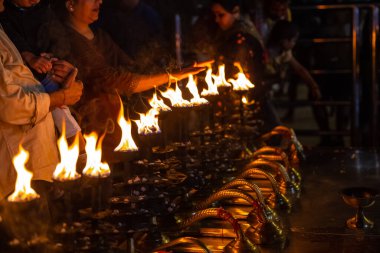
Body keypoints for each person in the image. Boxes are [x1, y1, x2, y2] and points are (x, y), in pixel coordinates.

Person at [50, 0, 204, 157]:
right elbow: (114, 79)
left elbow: (131, 67)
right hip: (91, 127)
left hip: (116, 121)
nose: (100, 1)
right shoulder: (67, 41)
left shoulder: (101, 36)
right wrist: (169, 77)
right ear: (70, 5)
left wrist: (174, 69)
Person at [0, 0, 83, 198]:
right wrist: (60, 97)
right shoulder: (9, 20)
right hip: (19, 173)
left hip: (37, 163)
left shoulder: (42, 14)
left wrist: (58, 66)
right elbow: (10, 104)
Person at [210, 0, 281, 133]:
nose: (216, 20)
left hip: (249, 99)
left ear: (236, 11)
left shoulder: (241, 37)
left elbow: (239, 71)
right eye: (215, 15)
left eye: (221, 15)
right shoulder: (232, 32)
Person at [266, 20, 332, 145]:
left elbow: (299, 69)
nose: (294, 44)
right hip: (262, 96)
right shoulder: (268, 55)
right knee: (274, 130)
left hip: (267, 96)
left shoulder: (284, 53)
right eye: (293, 41)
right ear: (284, 41)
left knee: (273, 128)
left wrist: (313, 86)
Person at [98, 0, 171, 74]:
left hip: (147, 70)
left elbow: (159, 43)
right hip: (122, 72)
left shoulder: (149, 16)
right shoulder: (109, 16)